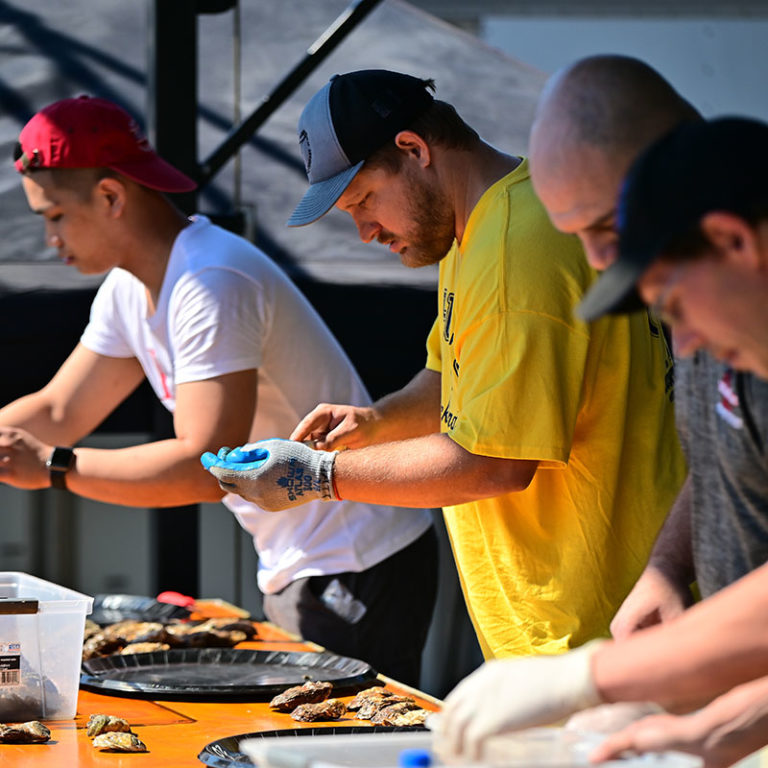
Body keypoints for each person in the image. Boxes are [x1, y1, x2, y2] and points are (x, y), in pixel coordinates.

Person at [203, 69, 685, 662]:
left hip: (595, 634)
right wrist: (375, 421)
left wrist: (316, 476)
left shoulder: (514, 250)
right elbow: (450, 379)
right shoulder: (486, 220)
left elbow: (492, 465)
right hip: (578, 627)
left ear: (414, 149)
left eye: (364, 201)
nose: (363, 232)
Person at [0, 95, 438, 687]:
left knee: (337, 744)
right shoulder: (133, 286)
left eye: (53, 216)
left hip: (355, 559)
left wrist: (55, 467)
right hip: (307, 557)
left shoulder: (210, 278)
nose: (48, 238)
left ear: (110, 197)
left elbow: (201, 466)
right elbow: (58, 408)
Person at [436, 61, 768, 764]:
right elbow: (718, 455)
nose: (682, 343)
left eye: (606, 229)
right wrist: (669, 570)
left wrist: (589, 676)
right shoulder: (728, 303)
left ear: (733, 239)